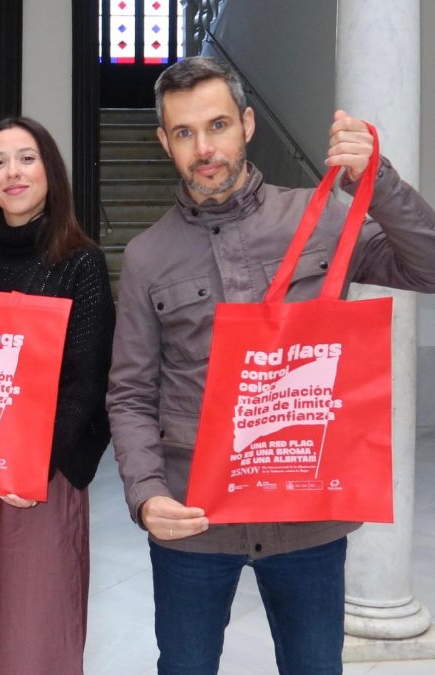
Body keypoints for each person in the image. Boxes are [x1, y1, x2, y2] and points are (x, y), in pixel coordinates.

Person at [108, 56, 435, 675]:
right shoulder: (148, 256)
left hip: (307, 512)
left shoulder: (317, 219)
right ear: (164, 141)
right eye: (184, 133)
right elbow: (129, 393)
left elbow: (427, 266)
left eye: (218, 125)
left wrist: (377, 177)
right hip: (193, 517)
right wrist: (147, 495)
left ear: (248, 124)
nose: (205, 148)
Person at [0, 117, 114, 674]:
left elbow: (89, 380)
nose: (12, 173)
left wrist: (34, 465)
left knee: (34, 619)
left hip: (42, 471)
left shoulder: (80, 260)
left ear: (50, 171)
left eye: (26, 158)